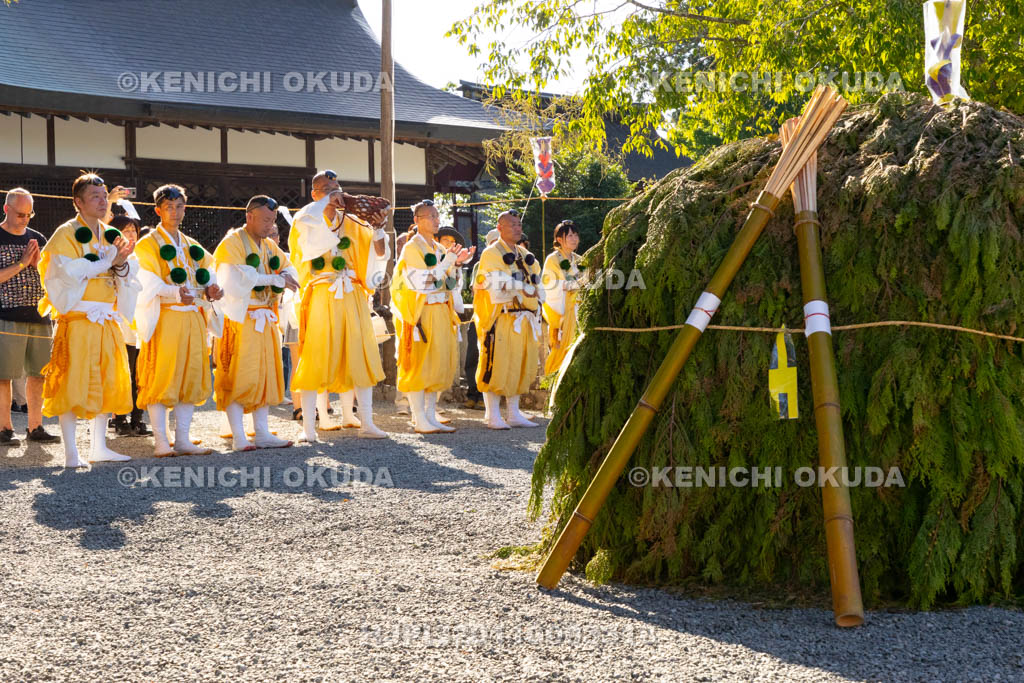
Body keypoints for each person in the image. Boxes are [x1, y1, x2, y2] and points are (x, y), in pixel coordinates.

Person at [38, 173, 139, 466]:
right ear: (78, 202)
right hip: (78, 317)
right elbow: (67, 272)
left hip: (106, 317)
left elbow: (127, 272)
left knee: (107, 381)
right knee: (72, 382)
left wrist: (120, 263)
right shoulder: (66, 233)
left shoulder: (110, 233)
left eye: (104, 195)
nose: (102, 200)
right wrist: (108, 261)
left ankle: (99, 447)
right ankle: (72, 452)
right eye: (95, 196)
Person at [288, 170, 390, 443]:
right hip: (321, 293)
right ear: (314, 194)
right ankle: (309, 427)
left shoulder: (354, 221)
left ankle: (366, 422)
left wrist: (378, 228)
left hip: (353, 293)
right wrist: (328, 203)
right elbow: (306, 247)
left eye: (338, 188)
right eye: (327, 190)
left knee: (361, 353)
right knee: (315, 356)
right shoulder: (306, 218)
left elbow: (379, 254)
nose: (335, 194)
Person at [134, 185, 223, 456]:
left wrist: (212, 288)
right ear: (158, 210)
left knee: (190, 376)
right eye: (169, 207)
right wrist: (173, 292)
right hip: (167, 316)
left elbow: (209, 269)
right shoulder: (147, 244)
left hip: (193, 316)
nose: (175, 212)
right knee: (163, 376)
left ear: (185, 208)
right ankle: (161, 441)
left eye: (179, 207)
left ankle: (183, 439)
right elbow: (145, 279)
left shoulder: (190, 244)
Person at [213, 195, 298, 451]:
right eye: (264, 220)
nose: (269, 225)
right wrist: (275, 279)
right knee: (238, 375)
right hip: (241, 318)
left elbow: (288, 267)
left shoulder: (270, 246)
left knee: (264, 375)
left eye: (272, 220)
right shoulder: (232, 242)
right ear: (249, 217)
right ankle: (238, 435)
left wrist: (283, 275)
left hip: (265, 316)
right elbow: (235, 277)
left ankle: (261, 432)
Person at [390, 202, 473, 433]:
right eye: (431, 216)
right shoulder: (411, 247)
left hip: (441, 311)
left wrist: (457, 263)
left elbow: (449, 282)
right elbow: (419, 282)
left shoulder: (438, 248)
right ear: (417, 220)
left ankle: (429, 416)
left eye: (437, 216)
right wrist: (447, 262)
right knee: (420, 365)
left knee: (437, 364)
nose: (437, 220)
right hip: (421, 313)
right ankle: (419, 418)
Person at [0, 188, 60, 446]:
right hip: (6, 315)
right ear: (6, 209)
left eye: (29, 214)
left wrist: (39, 267)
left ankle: (35, 426)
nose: (25, 219)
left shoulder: (37, 238)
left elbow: (52, 278)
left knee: (39, 374)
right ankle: (4, 428)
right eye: (20, 214)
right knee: (4, 375)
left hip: (39, 315)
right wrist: (22, 263)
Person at [473, 211, 544, 429]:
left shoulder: (524, 254)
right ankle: (493, 415)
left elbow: (536, 278)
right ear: (500, 227)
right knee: (497, 364)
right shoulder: (491, 253)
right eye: (512, 224)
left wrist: (535, 293)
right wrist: (522, 287)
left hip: (524, 317)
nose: (517, 228)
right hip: (502, 317)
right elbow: (495, 280)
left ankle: (513, 412)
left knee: (519, 364)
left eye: (519, 224)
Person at [108, 216, 151, 437]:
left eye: (134, 230)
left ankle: (137, 417)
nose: (131, 234)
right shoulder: (111, 255)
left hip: (139, 321)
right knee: (122, 371)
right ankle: (119, 417)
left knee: (139, 372)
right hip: (119, 321)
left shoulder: (144, 255)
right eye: (125, 230)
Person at [462, 228, 499, 411]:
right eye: (494, 242)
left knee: (493, 358)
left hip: (501, 317)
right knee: (473, 356)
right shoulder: (481, 264)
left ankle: (488, 396)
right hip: (480, 315)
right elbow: (475, 289)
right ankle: (472, 394)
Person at [542, 219, 582, 375]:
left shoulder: (579, 259)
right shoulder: (553, 259)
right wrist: (570, 285)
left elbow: (585, 279)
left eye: (576, 235)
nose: (574, 239)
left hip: (578, 310)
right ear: (559, 239)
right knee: (561, 349)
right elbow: (549, 285)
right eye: (570, 236)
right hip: (562, 312)